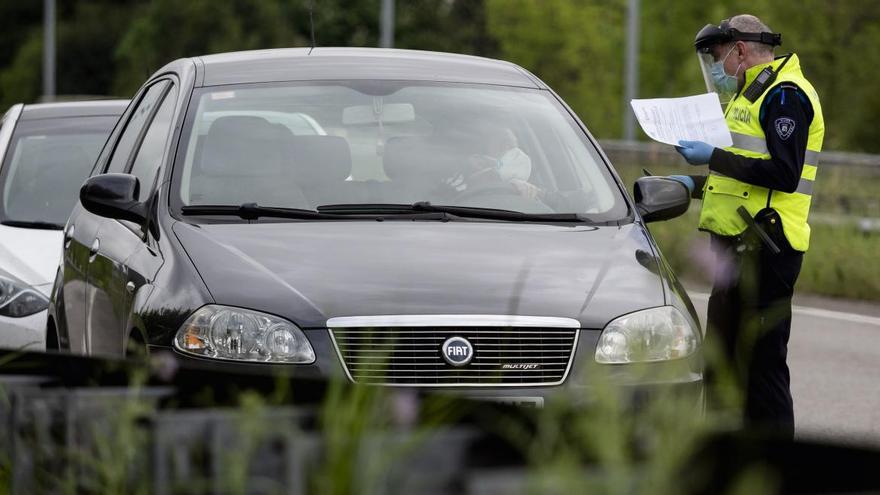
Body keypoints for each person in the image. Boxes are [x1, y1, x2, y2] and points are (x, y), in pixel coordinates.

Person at [668, 14, 825, 437]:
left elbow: (783, 173)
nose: (717, 70)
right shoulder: (749, 97)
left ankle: (775, 470)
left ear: (740, 49)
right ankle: (721, 463)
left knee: (761, 370)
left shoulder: (785, 96)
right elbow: (742, 178)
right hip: (736, 246)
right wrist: (696, 184)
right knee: (720, 365)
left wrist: (713, 158)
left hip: (768, 247)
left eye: (719, 58)